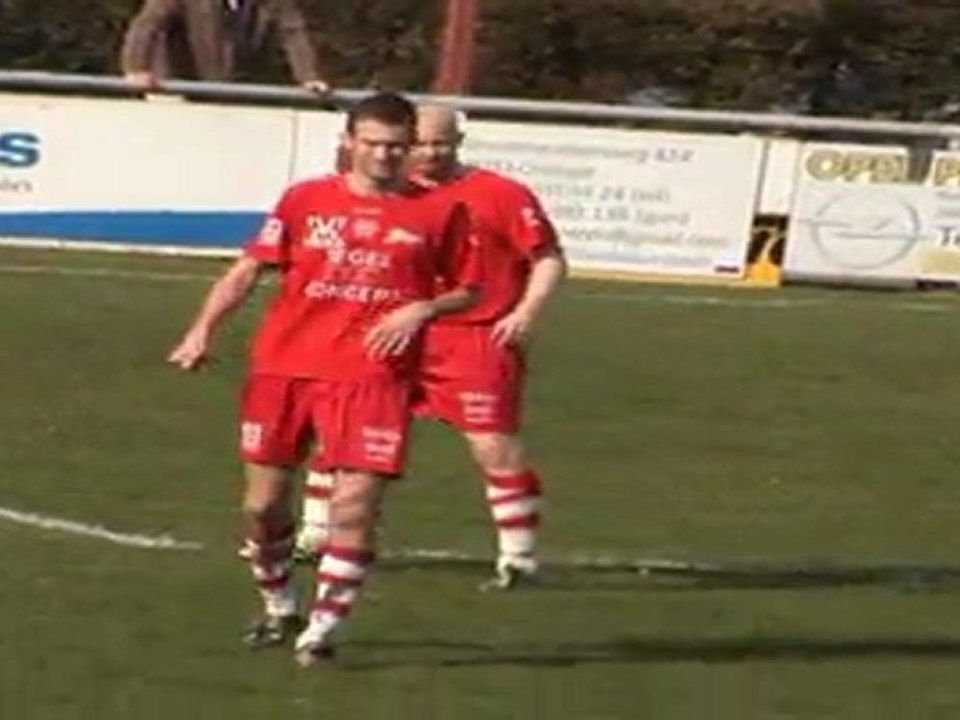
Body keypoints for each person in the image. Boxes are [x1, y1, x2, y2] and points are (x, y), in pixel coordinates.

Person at [168, 92, 479, 666]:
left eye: (396, 146)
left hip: (373, 376)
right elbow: (249, 270)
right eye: (373, 144)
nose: (385, 155)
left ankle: (323, 631)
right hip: (285, 368)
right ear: (349, 143)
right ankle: (280, 601)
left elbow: (468, 286)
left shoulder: (439, 211)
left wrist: (420, 310)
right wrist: (201, 331)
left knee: (354, 507)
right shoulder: (305, 200)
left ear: (409, 147)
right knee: (263, 506)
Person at [296, 105, 567, 590]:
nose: (428, 153)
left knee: (492, 445)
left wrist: (525, 312)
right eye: (418, 143)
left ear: (459, 141)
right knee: (340, 429)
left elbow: (547, 257)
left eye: (440, 143)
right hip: (389, 331)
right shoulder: (378, 192)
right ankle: (316, 534)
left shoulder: (500, 194)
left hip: (473, 336)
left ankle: (518, 558)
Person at [120, 0, 330, 92]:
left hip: (235, 88)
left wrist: (309, 76)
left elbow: (292, 30)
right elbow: (149, 23)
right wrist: (136, 68)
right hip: (179, 88)